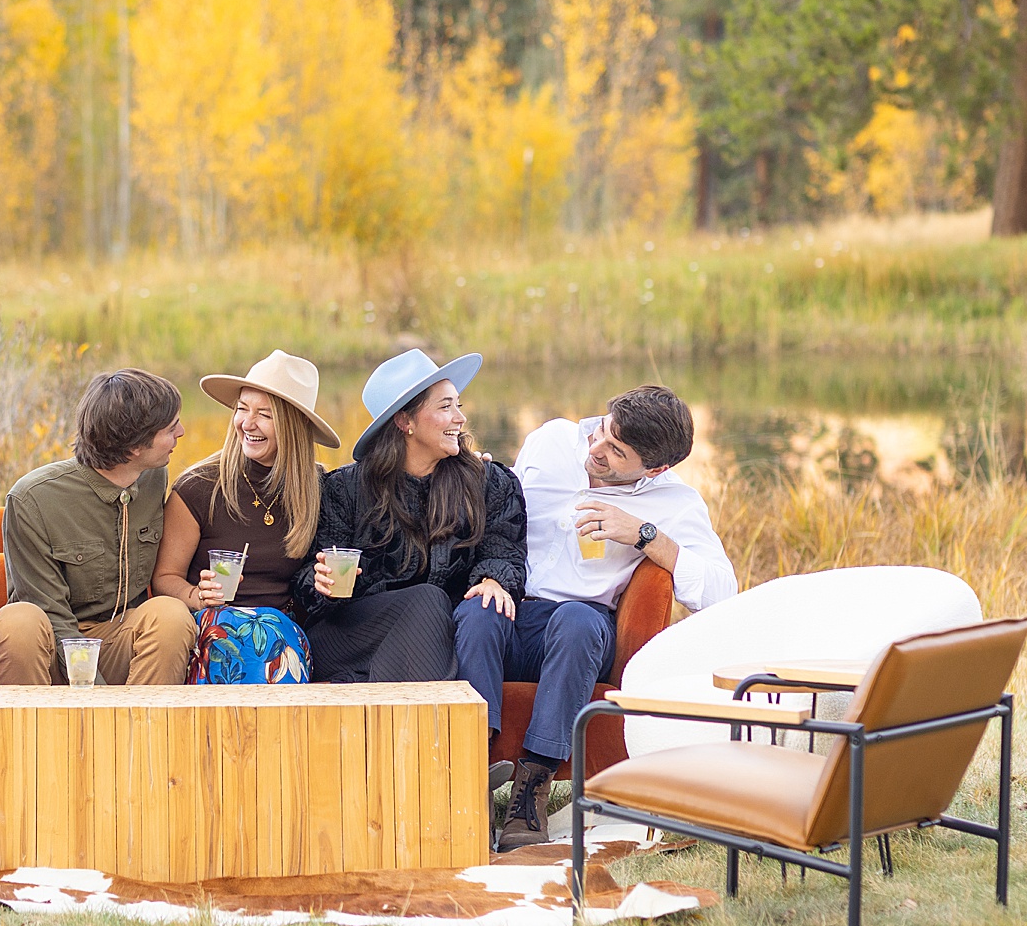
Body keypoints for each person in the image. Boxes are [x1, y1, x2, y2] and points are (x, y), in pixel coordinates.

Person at [463, 384, 738, 848]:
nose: (597, 449)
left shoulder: (676, 503)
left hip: (583, 625)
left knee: (576, 621)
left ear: (656, 468)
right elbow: (506, 506)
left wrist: (645, 535)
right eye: (602, 432)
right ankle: (470, 771)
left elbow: (721, 591)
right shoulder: (552, 441)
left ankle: (531, 787)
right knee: (478, 612)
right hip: (515, 607)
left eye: (616, 451)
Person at [294, 349, 527, 685]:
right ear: (405, 422)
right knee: (427, 600)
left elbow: (504, 551)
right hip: (353, 635)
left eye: (457, 405)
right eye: (445, 407)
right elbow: (307, 583)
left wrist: (492, 578)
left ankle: (407, 721)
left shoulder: (489, 481)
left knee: (438, 612)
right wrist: (321, 585)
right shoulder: (344, 489)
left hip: (443, 635)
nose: (460, 418)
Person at [0, 369, 199, 686]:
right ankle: (30, 735)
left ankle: (141, 734)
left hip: (119, 640)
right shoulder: (33, 499)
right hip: (48, 648)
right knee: (17, 621)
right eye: (170, 428)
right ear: (135, 447)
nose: (180, 432)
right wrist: (93, 694)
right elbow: (49, 611)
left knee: (171, 615)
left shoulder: (154, 478)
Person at [153, 350, 339, 684]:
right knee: (251, 643)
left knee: (272, 638)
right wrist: (196, 594)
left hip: (285, 634)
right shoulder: (199, 487)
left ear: (292, 425)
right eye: (241, 409)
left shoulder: (318, 488)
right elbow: (164, 578)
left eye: (264, 415)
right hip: (214, 627)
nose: (246, 423)